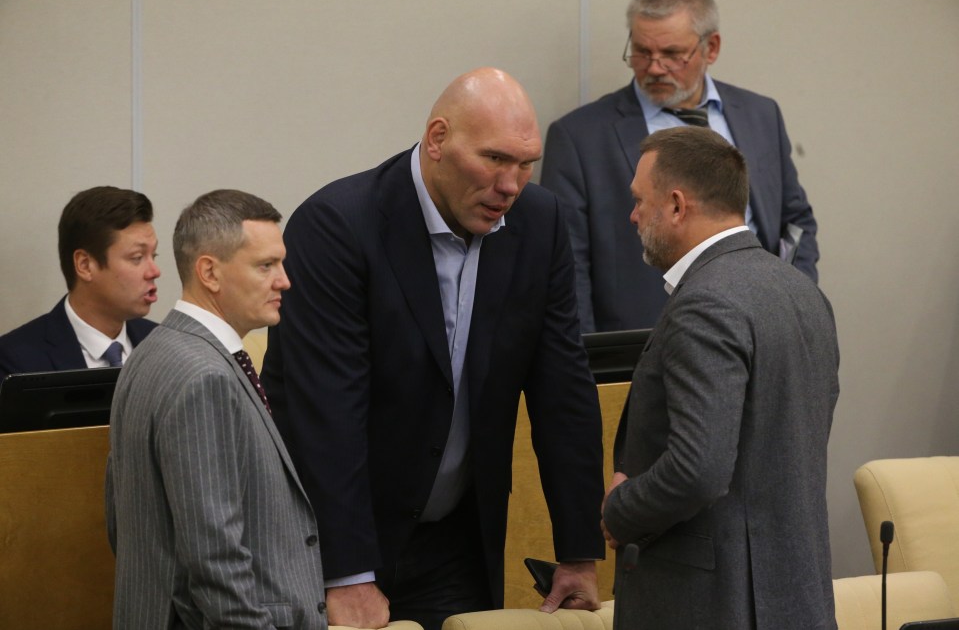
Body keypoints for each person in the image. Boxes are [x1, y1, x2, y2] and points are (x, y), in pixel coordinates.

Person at [261, 68, 605, 630]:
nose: (511, 185)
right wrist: (347, 576)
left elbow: (563, 390)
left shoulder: (539, 224)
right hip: (339, 541)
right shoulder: (337, 227)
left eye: (525, 164)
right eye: (495, 159)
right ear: (438, 139)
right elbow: (327, 415)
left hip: (454, 539)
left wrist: (577, 550)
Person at [601, 127, 839, 629]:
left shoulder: (704, 303)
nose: (633, 215)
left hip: (711, 605)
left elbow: (698, 469)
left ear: (677, 205)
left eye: (640, 201)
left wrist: (619, 511)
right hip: (797, 599)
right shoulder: (803, 294)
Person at [106, 190, 327, 629]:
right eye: (266, 266)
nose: (284, 280)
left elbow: (121, 519)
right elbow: (214, 559)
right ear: (209, 271)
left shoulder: (152, 353)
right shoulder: (202, 375)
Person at [541, 0, 819, 333]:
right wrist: (588, 360)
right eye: (642, 52)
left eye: (672, 54)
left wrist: (793, 300)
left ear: (711, 48)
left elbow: (796, 222)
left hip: (764, 329)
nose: (655, 68)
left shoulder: (762, 115)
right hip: (647, 340)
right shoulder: (579, 137)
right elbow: (567, 263)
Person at [0, 186, 160, 379]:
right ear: (85, 265)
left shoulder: (163, 345)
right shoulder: (16, 361)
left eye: (154, 255)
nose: (155, 271)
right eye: (137, 257)